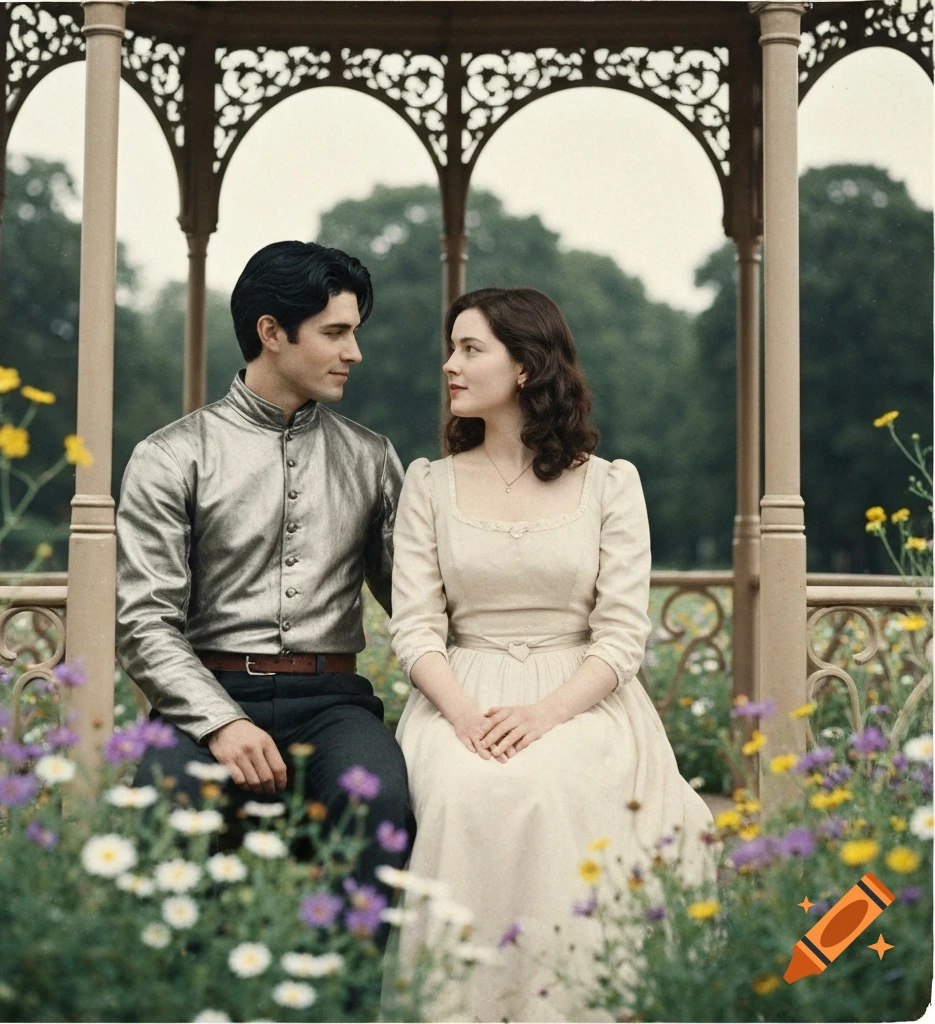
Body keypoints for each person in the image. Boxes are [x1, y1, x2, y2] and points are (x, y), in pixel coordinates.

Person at [385, 287, 720, 1022]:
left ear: (527, 366)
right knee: (467, 791)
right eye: (451, 348)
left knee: (549, 782)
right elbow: (413, 627)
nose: (450, 366)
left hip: (581, 695)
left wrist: (544, 713)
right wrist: (467, 716)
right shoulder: (428, 485)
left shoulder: (610, 484)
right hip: (460, 689)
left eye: (471, 350)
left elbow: (623, 634)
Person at [115, 240, 414, 894]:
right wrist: (221, 723)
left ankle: (343, 995)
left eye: (354, 333)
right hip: (205, 700)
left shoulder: (372, 458)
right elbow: (143, 622)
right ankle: (177, 994)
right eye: (335, 333)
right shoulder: (170, 456)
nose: (353, 353)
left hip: (333, 705)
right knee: (165, 814)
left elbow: (417, 605)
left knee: (383, 801)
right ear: (271, 333)